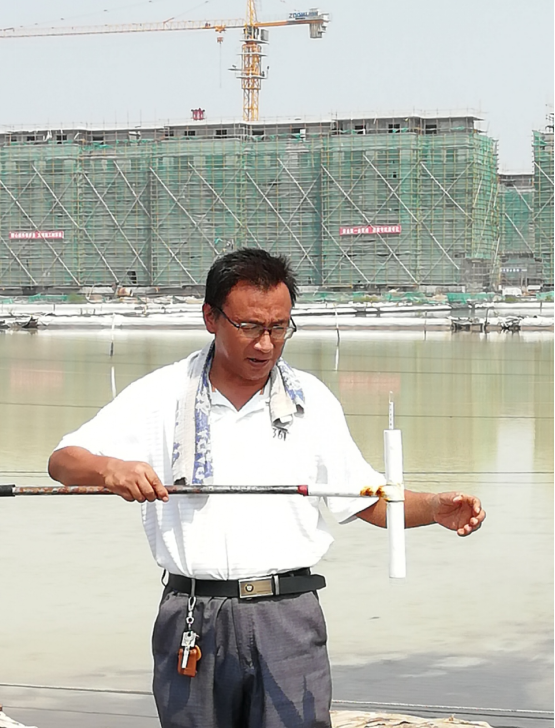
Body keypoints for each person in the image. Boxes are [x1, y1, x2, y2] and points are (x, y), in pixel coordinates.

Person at [48, 249, 485, 728]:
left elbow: (364, 499)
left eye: (279, 328)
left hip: (287, 618)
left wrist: (433, 507)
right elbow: (63, 461)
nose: (265, 344)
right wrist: (110, 469)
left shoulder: (310, 400)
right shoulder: (161, 394)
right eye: (250, 327)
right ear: (211, 318)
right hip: (192, 614)